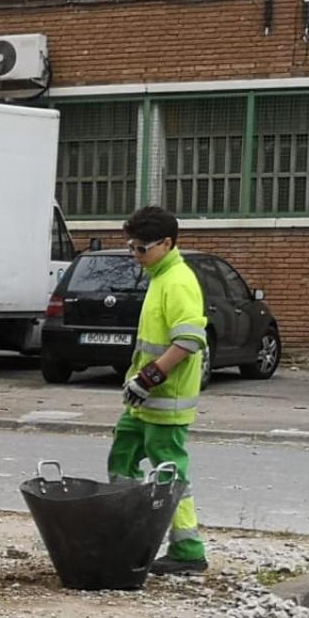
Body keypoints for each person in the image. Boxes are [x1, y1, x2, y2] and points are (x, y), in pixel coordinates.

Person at [108, 206, 208, 575]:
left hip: (165, 402)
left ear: (166, 243)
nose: (136, 257)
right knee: (122, 458)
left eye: (141, 249)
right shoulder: (159, 276)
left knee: (169, 474)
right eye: (131, 248)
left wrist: (149, 377)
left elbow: (188, 341)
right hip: (142, 401)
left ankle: (187, 550)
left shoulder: (178, 281)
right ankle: (128, 532)